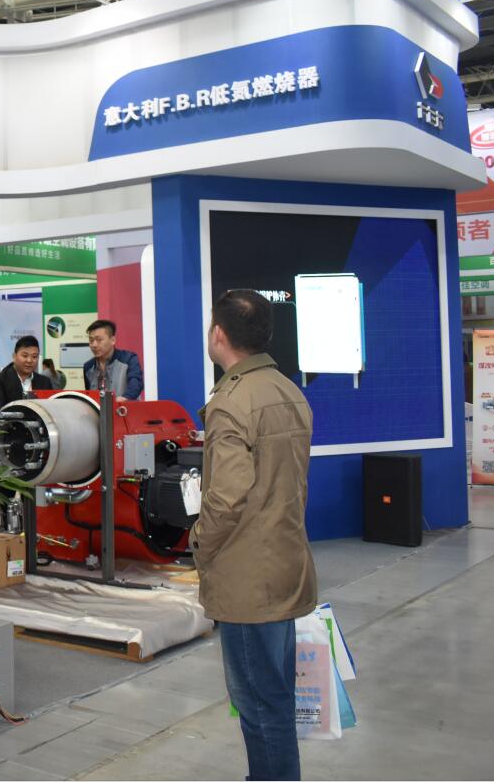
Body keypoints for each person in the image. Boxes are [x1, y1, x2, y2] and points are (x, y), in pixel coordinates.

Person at [194, 289, 316, 782]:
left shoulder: (231, 403)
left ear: (219, 334)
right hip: (287, 564)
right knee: (276, 696)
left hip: (247, 577)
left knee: (259, 705)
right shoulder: (288, 390)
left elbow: (227, 498)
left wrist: (199, 544)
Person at [83, 319, 144, 399]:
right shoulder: (88, 367)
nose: (94, 345)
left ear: (112, 340)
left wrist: (125, 398)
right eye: (91, 340)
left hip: (124, 406)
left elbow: (136, 384)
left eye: (99, 340)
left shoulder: (129, 359)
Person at [0, 335, 52, 400]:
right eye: (25, 356)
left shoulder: (45, 382)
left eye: (34, 357)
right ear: (14, 356)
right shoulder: (1, 380)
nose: (29, 360)